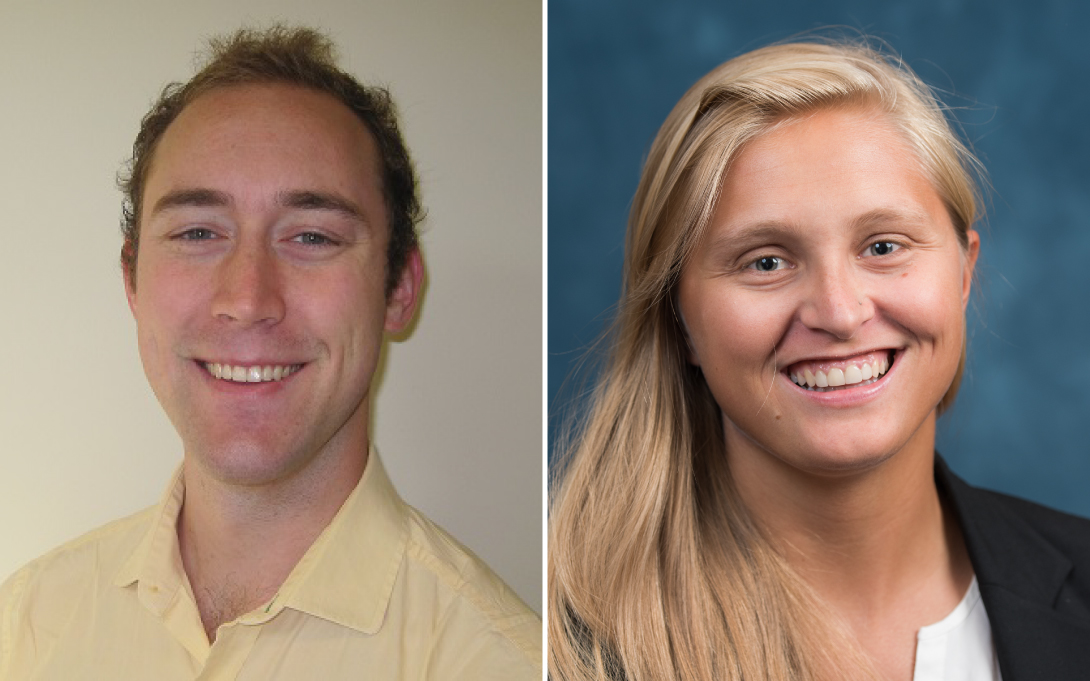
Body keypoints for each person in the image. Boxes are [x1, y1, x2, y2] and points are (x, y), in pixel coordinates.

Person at [0, 25, 540, 679]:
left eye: (311, 236)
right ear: (132, 279)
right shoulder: (23, 628)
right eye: (199, 231)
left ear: (399, 288)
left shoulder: (501, 660)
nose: (249, 297)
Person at [548, 38, 1090, 681]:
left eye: (883, 246)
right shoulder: (560, 641)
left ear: (965, 273)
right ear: (680, 322)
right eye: (767, 262)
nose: (838, 312)